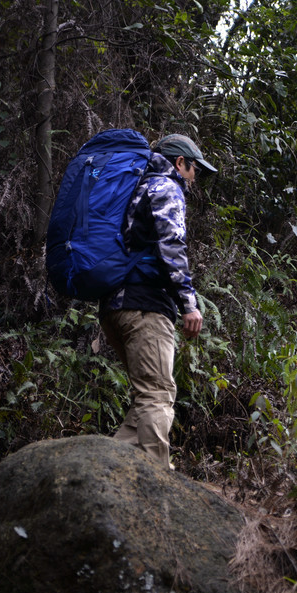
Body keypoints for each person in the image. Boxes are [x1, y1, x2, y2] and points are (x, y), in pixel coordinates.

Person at [99, 133, 216, 469]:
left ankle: (103, 472)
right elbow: (172, 247)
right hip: (144, 306)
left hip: (116, 306)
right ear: (181, 163)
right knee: (157, 396)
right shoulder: (166, 187)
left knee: (144, 401)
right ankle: (157, 486)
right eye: (195, 170)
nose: (194, 179)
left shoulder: (135, 187)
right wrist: (189, 304)